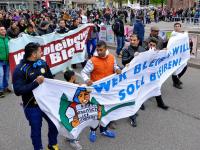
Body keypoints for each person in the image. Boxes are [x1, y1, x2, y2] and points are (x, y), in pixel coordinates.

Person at [12, 42, 59, 150]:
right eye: (40, 51)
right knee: (36, 130)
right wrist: (36, 83)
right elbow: (18, 91)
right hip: (31, 105)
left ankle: (52, 145)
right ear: (33, 54)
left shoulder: (42, 63)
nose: (41, 52)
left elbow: (51, 80)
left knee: (55, 123)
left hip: (46, 103)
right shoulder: (20, 69)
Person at [81, 40, 121, 142]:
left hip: (108, 91)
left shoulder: (112, 57)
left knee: (106, 111)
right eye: (97, 50)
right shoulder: (92, 60)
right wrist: (87, 80)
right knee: (96, 113)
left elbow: (115, 66)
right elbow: (84, 72)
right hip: (97, 92)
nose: (99, 52)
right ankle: (93, 130)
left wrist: (117, 69)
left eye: (101, 50)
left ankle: (104, 130)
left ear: (106, 49)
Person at [122, 34, 146, 127]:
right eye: (131, 40)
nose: (132, 41)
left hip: (140, 75)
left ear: (138, 41)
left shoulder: (142, 49)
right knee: (131, 95)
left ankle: (140, 103)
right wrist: (133, 57)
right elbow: (124, 62)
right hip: (130, 76)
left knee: (140, 90)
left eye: (134, 40)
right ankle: (132, 116)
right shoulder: (126, 50)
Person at [144, 37, 169, 110]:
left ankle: (160, 103)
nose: (151, 47)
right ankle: (141, 103)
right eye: (150, 45)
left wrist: (164, 51)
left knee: (157, 87)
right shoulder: (142, 51)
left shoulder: (158, 52)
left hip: (153, 74)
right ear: (148, 44)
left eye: (153, 45)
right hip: (144, 75)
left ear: (156, 46)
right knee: (143, 89)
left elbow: (164, 58)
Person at [63, 70, 83, 150]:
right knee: (74, 124)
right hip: (72, 110)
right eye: (74, 75)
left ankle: (69, 137)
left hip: (68, 109)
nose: (75, 76)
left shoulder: (65, 85)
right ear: (72, 77)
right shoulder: (72, 87)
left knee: (69, 124)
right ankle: (73, 141)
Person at [171, 22, 187, 89]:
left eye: (178, 26)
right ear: (174, 28)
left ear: (180, 27)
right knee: (175, 70)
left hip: (181, 55)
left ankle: (177, 78)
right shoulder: (173, 34)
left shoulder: (182, 35)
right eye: (176, 26)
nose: (177, 27)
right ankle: (175, 83)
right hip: (174, 55)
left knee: (185, 66)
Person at [0, 25, 11, 98]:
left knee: (6, 75)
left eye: (4, 29)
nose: (3, 31)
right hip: (0, 61)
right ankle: (0, 90)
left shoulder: (8, 38)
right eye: (1, 30)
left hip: (7, 60)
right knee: (1, 75)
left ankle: (5, 87)